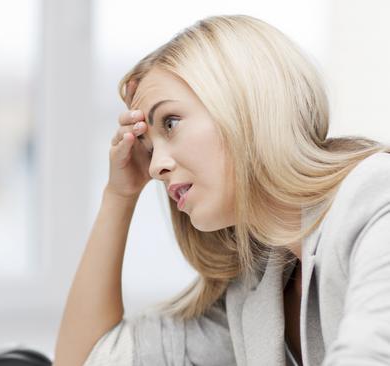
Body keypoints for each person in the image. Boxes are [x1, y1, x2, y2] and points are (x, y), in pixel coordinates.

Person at [52, 14, 390, 366]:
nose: (155, 168)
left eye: (170, 123)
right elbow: (87, 360)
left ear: (245, 103)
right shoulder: (259, 287)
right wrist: (119, 196)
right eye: (150, 149)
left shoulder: (375, 197)